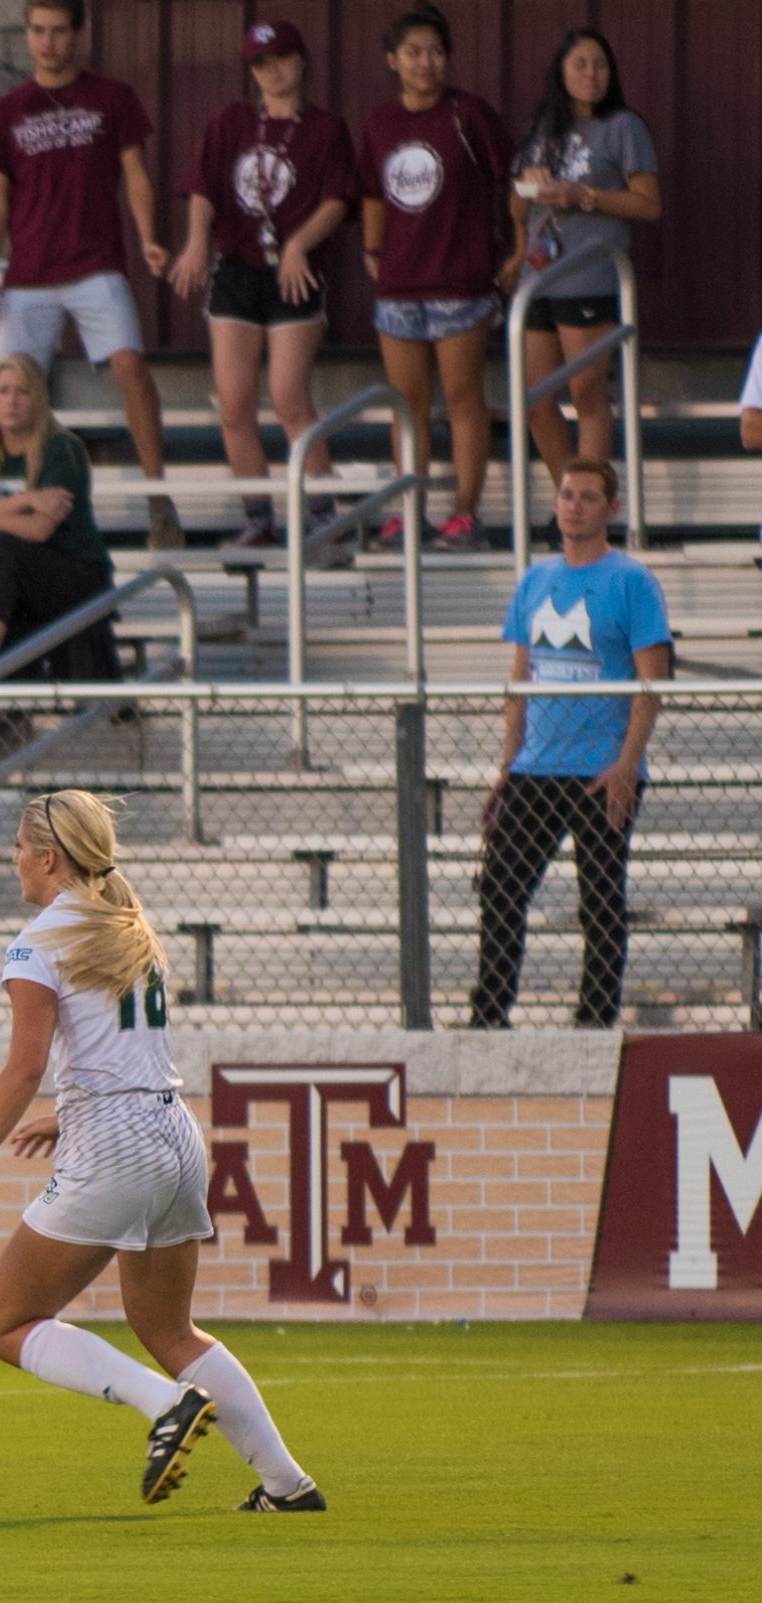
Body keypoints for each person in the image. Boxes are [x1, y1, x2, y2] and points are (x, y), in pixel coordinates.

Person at [0, 789, 324, 1512]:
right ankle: (287, 1486)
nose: (14, 860)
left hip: (114, 1146)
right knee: (170, 1327)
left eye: (19, 848)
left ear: (46, 857)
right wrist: (67, 1112)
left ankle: (167, 1406)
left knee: (5, 1322)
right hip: (173, 1131)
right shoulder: (125, 920)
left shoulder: (38, 940)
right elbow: (115, 1048)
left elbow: (23, 1069)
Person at [0, 0, 179, 550]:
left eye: (59, 31)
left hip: (95, 263)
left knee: (130, 365)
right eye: (37, 31)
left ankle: (159, 499)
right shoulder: (6, 110)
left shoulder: (112, 98)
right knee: (10, 388)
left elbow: (136, 173)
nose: (48, 42)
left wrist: (149, 237)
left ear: (78, 35)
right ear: (26, 34)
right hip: (29, 274)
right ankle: (3, 503)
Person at [471, 458, 671, 1031]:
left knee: (601, 903)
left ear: (610, 509)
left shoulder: (632, 583)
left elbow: (651, 682)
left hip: (600, 770)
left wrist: (627, 764)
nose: (574, 505)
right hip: (537, 769)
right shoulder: (534, 582)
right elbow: (520, 681)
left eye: (587, 497)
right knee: (501, 888)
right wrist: (508, 764)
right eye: (566, 494)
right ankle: (488, 1015)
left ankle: (594, 1021)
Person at [166, 20, 356, 549]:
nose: (273, 71)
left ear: (302, 61)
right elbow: (203, 186)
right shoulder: (232, 121)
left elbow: (337, 199)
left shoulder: (325, 128)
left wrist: (298, 244)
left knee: (289, 396)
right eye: (261, 63)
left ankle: (323, 511)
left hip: (293, 271)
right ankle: (258, 515)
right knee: (234, 400)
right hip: (237, 267)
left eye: (281, 58)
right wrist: (197, 242)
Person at [359, 5, 512, 552]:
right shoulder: (380, 123)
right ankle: (408, 513)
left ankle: (465, 516)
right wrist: (373, 249)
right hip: (399, 288)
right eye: (415, 52)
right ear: (392, 61)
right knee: (408, 403)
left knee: (464, 399)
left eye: (436, 52)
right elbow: (372, 191)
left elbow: (510, 182)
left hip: (460, 282)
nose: (427, 63)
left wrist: (514, 254)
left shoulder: (468, 114)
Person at [508, 29, 660, 500]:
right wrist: (526, 187)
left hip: (589, 278)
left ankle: (593, 506)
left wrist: (584, 196)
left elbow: (649, 204)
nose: (591, 74)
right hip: (539, 279)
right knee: (534, 401)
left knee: (587, 395)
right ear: (561, 72)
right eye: (581, 64)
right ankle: (569, 502)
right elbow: (519, 211)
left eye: (600, 65)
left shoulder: (623, 126)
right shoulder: (542, 130)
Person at [0, 355, 119, 682]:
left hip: (74, 571)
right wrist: (24, 500)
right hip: (15, 576)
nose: (11, 401)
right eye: (3, 391)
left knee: (0, 546)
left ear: (38, 399)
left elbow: (38, 529)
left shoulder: (62, 450)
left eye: (22, 392)